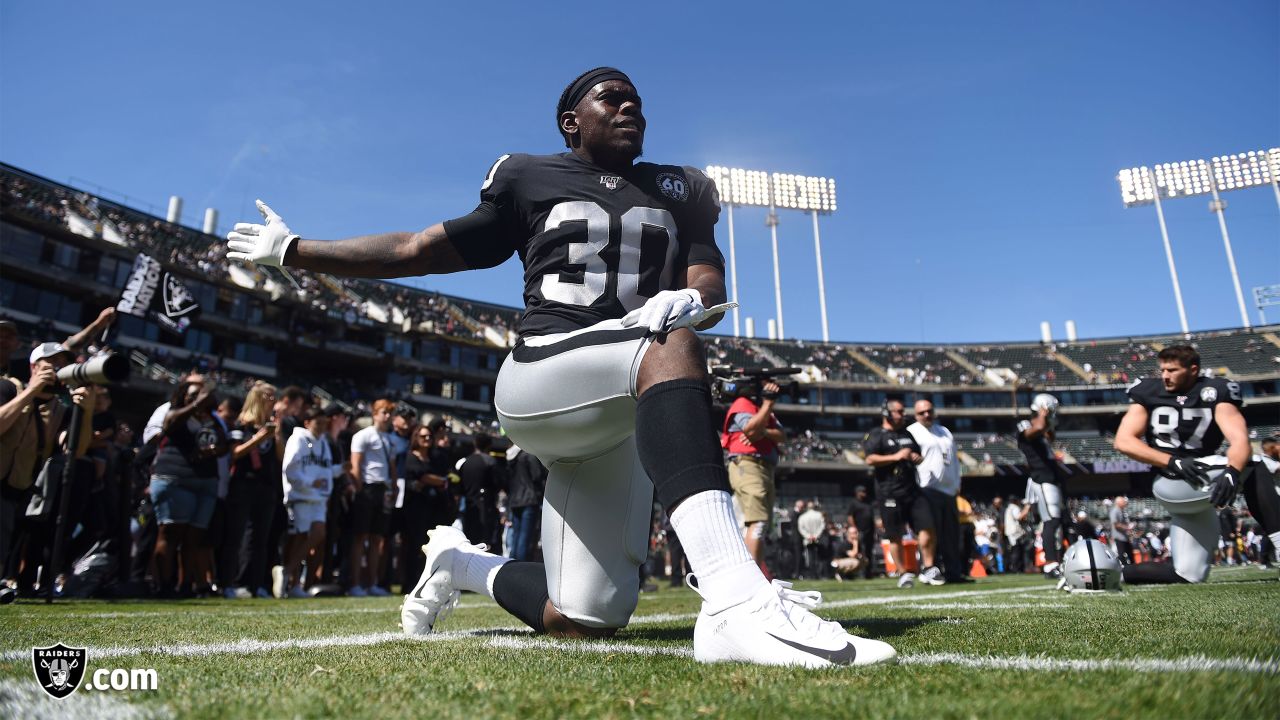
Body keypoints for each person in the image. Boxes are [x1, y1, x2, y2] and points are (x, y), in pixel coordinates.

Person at [226, 66, 894, 666]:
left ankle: (461, 564)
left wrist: (692, 297)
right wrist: (295, 249)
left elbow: (707, 282)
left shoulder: (682, 188)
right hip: (544, 376)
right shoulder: (529, 175)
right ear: (571, 121)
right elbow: (414, 248)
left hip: (624, 406)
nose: (631, 105)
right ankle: (737, 602)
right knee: (670, 344)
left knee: (584, 619)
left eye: (637, 99)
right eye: (612, 97)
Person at [1113, 345, 1250, 584]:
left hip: (1199, 479)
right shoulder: (1149, 391)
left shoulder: (1215, 390)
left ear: (1193, 369)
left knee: (1188, 574)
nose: (1165, 375)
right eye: (1162, 369)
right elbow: (1123, 441)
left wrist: (1232, 471)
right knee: (1259, 466)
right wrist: (1172, 461)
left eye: (1172, 370)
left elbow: (1240, 440)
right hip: (1171, 479)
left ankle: (1108, 573)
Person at [150, 380, 227, 596]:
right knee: (170, 532)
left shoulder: (212, 419)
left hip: (205, 481)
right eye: (192, 395)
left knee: (194, 537)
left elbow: (224, 444)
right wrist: (195, 405)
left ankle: (186, 585)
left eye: (201, 395)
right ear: (183, 396)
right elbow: (169, 425)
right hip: (175, 478)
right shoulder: (175, 413)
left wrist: (214, 450)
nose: (198, 399)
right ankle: (163, 585)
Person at [864, 399, 941, 587]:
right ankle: (903, 573)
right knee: (895, 535)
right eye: (898, 411)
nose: (902, 414)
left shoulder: (906, 433)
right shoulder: (876, 435)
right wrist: (896, 457)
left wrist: (916, 457)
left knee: (927, 526)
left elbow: (917, 455)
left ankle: (928, 568)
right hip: (889, 492)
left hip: (912, 490)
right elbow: (870, 459)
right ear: (887, 413)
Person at [721, 379, 786, 577]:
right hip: (748, 465)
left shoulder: (761, 410)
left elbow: (782, 435)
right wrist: (767, 405)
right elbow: (750, 431)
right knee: (756, 523)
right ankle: (753, 578)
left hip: (763, 467)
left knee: (761, 523)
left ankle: (755, 574)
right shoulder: (743, 404)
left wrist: (764, 430)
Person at [224, 381, 280, 598]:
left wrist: (276, 435)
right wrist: (259, 438)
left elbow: (279, 457)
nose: (273, 401)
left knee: (260, 538)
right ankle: (232, 582)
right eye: (269, 396)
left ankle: (254, 584)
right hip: (244, 483)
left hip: (266, 486)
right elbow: (235, 453)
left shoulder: (272, 425)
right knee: (238, 535)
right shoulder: (242, 425)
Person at [281, 406, 339, 598]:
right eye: (318, 423)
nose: (322, 427)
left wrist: (338, 474)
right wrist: (307, 484)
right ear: (307, 422)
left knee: (318, 534)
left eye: (324, 423)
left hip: (319, 498)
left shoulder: (322, 442)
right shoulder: (298, 439)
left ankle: (288, 572)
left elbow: (324, 470)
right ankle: (292, 581)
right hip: (301, 496)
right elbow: (290, 468)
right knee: (300, 539)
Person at [907, 399, 964, 582]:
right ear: (915, 415)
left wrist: (957, 483)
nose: (926, 415)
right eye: (922, 412)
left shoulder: (944, 431)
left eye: (929, 411)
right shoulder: (912, 432)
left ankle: (954, 572)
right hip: (927, 488)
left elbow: (954, 459)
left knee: (951, 534)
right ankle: (933, 570)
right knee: (933, 533)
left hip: (948, 489)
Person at [348, 399, 397, 597]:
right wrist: (358, 487)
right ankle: (355, 583)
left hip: (382, 489)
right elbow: (356, 464)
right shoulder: (363, 436)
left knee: (377, 538)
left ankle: (372, 583)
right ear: (374, 413)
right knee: (361, 536)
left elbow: (392, 467)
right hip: (367, 488)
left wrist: (393, 488)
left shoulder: (389, 439)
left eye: (389, 413)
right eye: (383, 412)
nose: (387, 416)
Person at [1017, 393, 1067, 578]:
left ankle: (1057, 561)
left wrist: (1048, 419)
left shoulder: (1043, 431)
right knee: (1051, 520)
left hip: (1051, 478)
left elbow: (1049, 434)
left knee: (1059, 521)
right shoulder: (1026, 427)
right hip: (1042, 478)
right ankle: (1050, 564)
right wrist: (1044, 414)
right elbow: (1037, 428)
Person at [399, 420, 451, 590]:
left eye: (429, 436)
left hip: (434, 508)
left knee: (432, 547)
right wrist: (436, 480)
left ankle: (429, 581)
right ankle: (409, 583)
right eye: (423, 436)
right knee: (414, 545)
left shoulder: (435, 457)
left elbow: (441, 477)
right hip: (414, 507)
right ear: (416, 437)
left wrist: (435, 480)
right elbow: (423, 477)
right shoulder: (410, 456)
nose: (427, 438)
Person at [506, 442, 548, 562]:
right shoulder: (529, 455)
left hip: (514, 500)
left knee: (516, 536)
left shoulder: (512, 457)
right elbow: (537, 476)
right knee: (525, 538)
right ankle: (521, 568)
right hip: (529, 500)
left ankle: (512, 566)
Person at [458, 434, 500, 548]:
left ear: (475, 444)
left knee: (469, 538)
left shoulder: (465, 462)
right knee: (484, 542)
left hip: (468, 505)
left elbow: (460, 487)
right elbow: (497, 484)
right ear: (489, 446)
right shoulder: (490, 461)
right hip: (485, 506)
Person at [844, 486, 876, 579]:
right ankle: (860, 573)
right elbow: (850, 517)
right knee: (861, 551)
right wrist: (855, 529)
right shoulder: (854, 503)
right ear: (857, 493)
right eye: (862, 491)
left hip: (870, 531)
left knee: (869, 552)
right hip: (860, 531)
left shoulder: (868, 502)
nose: (864, 493)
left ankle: (868, 573)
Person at [1003, 496, 1033, 574]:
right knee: (1017, 551)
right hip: (1015, 533)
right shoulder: (1014, 507)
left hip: (1010, 532)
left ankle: (1013, 567)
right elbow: (1019, 517)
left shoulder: (1008, 508)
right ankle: (1016, 568)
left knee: (1014, 550)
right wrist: (1026, 509)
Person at [1109, 496, 1134, 564]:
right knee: (1121, 554)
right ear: (1119, 502)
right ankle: (1124, 570)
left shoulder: (1121, 511)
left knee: (1130, 554)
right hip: (1119, 537)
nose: (1125, 503)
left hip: (1124, 536)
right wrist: (1127, 527)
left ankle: (1132, 569)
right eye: (1123, 502)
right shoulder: (1115, 511)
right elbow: (1116, 524)